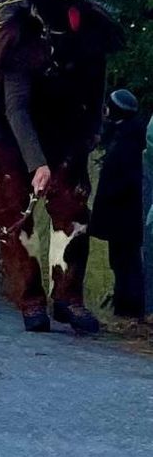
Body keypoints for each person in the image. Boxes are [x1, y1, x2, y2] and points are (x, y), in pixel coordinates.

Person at [0, 0, 123, 334]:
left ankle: (69, 298)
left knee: (73, 209)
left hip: (68, 133)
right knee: (16, 215)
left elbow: (95, 94)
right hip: (15, 136)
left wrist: (85, 140)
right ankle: (30, 300)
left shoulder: (92, 29)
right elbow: (17, 109)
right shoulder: (19, 36)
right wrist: (36, 163)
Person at [90, 88, 146, 320]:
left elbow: (125, 179)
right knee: (123, 259)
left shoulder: (127, 141)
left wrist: (110, 198)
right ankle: (126, 305)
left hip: (124, 214)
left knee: (125, 261)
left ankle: (129, 308)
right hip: (124, 213)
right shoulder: (126, 134)